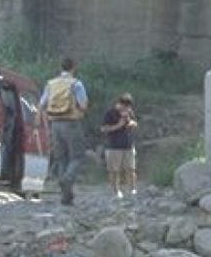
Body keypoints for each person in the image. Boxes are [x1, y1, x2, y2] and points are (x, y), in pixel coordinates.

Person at [39, 57, 88, 205]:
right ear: (73, 67)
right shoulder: (76, 84)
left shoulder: (51, 84)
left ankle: (66, 197)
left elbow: (42, 104)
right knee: (77, 157)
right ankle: (66, 179)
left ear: (61, 68)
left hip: (55, 124)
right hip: (71, 123)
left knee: (62, 159)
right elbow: (83, 104)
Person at [100, 93, 138, 199]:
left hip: (128, 145)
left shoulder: (129, 112)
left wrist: (131, 122)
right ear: (120, 104)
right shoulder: (110, 113)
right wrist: (118, 126)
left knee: (131, 169)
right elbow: (103, 128)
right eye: (125, 106)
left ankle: (133, 189)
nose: (127, 109)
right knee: (114, 170)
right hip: (113, 146)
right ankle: (116, 191)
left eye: (129, 107)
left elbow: (135, 123)